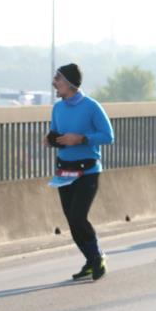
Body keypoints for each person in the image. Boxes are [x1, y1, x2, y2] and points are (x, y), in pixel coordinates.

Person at [44, 63, 115, 281]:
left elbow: (108, 136)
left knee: (78, 216)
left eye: (58, 78)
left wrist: (82, 138)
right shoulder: (58, 108)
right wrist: (51, 140)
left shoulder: (92, 106)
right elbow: (57, 134)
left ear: (70, 83)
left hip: (88, 171)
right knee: (71, 221)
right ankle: (90, 259)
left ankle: (97, 257)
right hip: (64, 171)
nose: (54, 82)